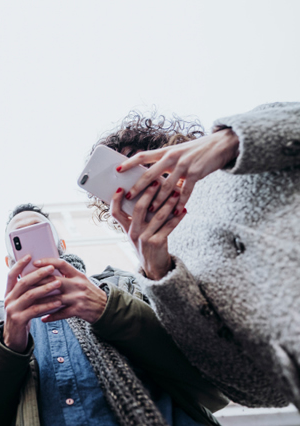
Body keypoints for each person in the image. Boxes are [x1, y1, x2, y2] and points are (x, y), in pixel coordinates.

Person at [87, 103, 300, 408]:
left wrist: (232, 140)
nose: (140, 183)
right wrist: (162, 277)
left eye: (141, 163)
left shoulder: (238, 153)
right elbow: (259, 391)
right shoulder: (166, 269)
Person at [0, 204, 227, 426]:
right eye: (19, 240)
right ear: (9, 261)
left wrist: (109, 309)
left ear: (61, 245)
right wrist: (9, 345)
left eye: (39, 231)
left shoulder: (122, 284)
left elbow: (206, 376)